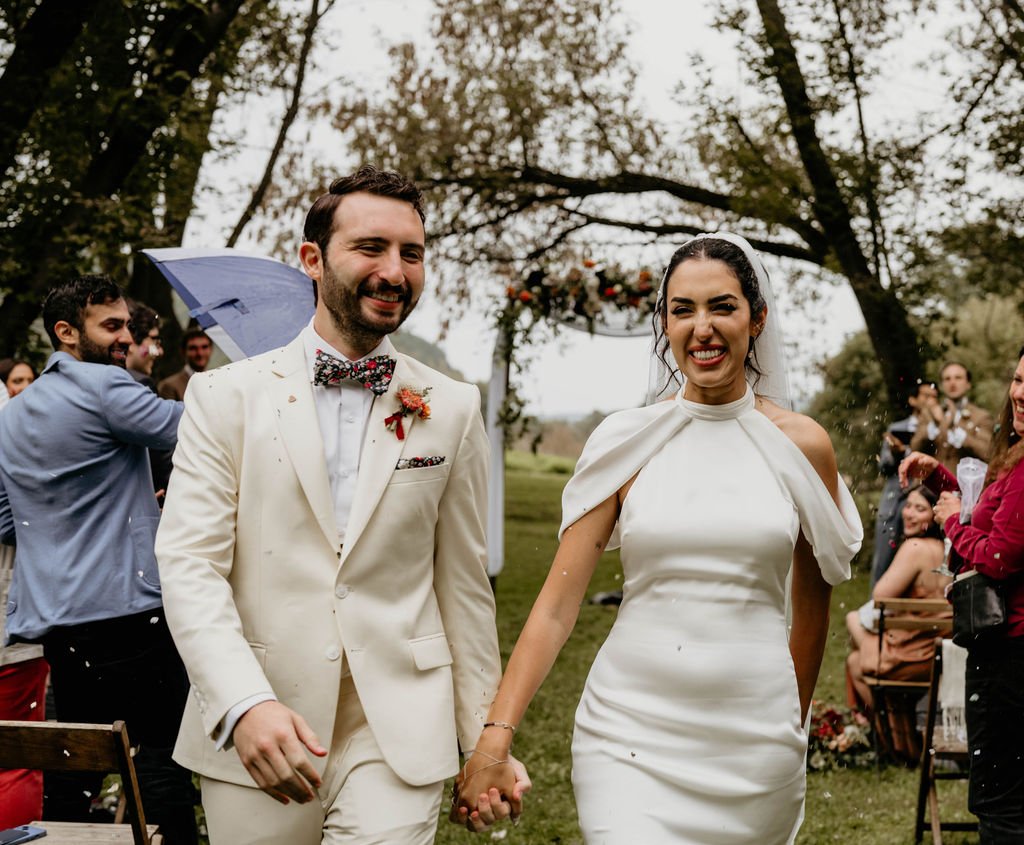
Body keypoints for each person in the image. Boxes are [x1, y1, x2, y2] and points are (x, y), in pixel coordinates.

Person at [155, 165, 527, 844]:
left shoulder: (452, 406)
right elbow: (188, 565)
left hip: (399, 728)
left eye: (411, 253)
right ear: (312, 259)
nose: (395, 270)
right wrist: (243, 703)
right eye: (371, 247)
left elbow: (465, 589)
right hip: (262, 724)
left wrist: (485, 740)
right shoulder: (223, 398)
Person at [456, 233, 862, 843]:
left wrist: (789, 723)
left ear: (757, 319)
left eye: (722, 306)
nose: (703, 327)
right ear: (664, 323)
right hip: (629, 734)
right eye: (683, 309)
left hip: (756, 744)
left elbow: (813, 609)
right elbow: (556, 607)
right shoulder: (626, 441)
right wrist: (495, 735)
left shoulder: (802, 445)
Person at [0, 275, 197, 843]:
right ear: (66, 332)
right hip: (130, 613)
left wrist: (81, 521)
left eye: (127, 326)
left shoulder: (12, 415)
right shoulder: (108, 388)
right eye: (110, 326)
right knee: (162, 761)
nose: (124, 338)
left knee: (76, 766)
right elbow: (193, 432)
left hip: (59, 624)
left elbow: (6, 520)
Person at [901, 344, 1024, 843]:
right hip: (1005, 652)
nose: (1020, 393)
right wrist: (940, 478)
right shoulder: (1014, 459)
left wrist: (951, 523)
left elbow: (999, 555)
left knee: (1001, 802)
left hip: (1011, 654)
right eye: (1018, 380)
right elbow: (987, 513)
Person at [846, 483, 950, 761]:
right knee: (854, 662)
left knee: (852, 619)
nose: (909, 514)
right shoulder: (946, 549)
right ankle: (903, 745)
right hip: (937, 654)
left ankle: (893, 743)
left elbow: (881, 596)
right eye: (908, 506)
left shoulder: (915, 547)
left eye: (920, 509)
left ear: (935, 515)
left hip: (910, 656)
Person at [870, 380, 936, 586]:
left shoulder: (939, 430)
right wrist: (894, 453)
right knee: (884, 554)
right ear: (913, 399)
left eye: (934, 396)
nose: (930, 401)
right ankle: (876, 605)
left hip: (923, 498)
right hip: (895, 498)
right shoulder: (896, 428)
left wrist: (907, 452)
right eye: (925, 395)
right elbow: (884, 467)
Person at [909, 361, 993, 472]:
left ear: (968, 384)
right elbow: (914, 449)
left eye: (958, 378)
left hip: (965, 486)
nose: (952, 383)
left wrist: (957, 431)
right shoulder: (929, 413)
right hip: (931, 484)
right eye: (947, 379)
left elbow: (988, 453)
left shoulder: (981, 416)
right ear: (942, 385)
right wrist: (933, 425)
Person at [157, 327, 212, 400]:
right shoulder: (169, 386)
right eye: (193, 348)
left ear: (211, 349)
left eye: (204, 347)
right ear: (183, 352)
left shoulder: (217, 382)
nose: (200, 353)